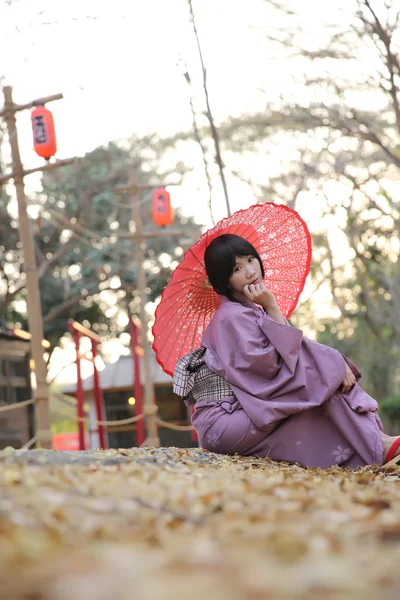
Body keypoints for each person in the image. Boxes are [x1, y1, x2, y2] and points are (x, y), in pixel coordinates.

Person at [173, 234, 400, 468]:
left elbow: (292, 351)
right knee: (323, 383)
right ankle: (378, 447)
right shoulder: (230, 317)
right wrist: (333, 362)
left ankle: (377, 443)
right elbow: (269, 367)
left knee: (320, 383)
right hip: (224, 422)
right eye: (237, 268)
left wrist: (270, 307)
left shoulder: (251, 309)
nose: (251, 271)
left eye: (251, 259)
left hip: (246, 408)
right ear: (225, 280)